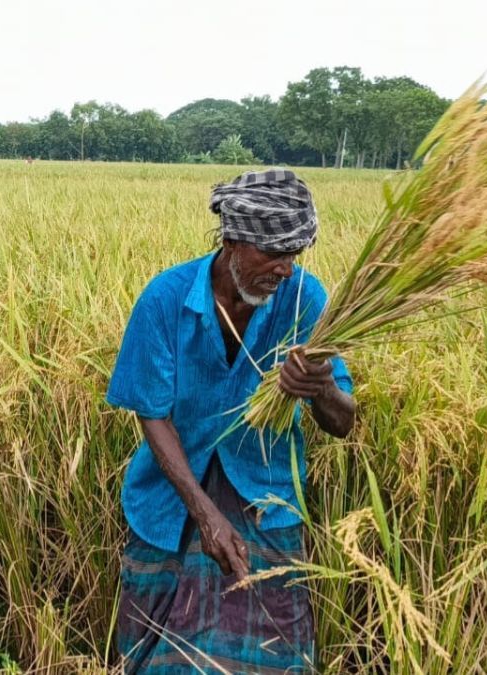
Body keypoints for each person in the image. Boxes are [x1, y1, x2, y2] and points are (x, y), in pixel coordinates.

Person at [106, 169, 356, 672]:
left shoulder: (305, 300)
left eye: (293, 255)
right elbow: (153, 416)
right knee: (157, 655)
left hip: (266, 497)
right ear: (233, 241)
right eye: (273, 253)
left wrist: (321, 386)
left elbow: (343, 421)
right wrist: (206, 516)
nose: (284, 269)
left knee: (273, 654)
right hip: (173, 500)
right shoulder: (165, 300)